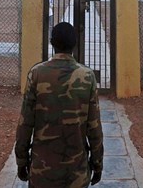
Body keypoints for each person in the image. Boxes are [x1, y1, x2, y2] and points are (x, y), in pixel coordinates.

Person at [15, 22, 103, 187]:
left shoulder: (37, 74)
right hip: (76, 173)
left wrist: (21, 160)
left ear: (52, 43)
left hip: (42, 172)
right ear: (74, 44)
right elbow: (94, 127)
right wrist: (97, 163)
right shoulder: (87, 76)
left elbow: (25, 123)